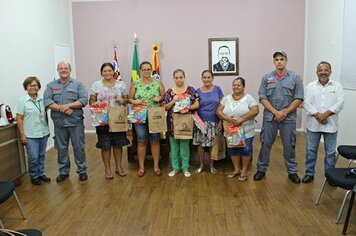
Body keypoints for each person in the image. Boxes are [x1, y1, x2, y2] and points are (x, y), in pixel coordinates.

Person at [253, 51, 304, 184]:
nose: (279, 61)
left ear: (286, 61)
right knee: (265, 144)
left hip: (288, 118)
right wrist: (276, 112)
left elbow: (298, 99)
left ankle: (292, 171)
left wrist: (284, 113)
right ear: (273, 61)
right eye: (277, 59)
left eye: (282, 59)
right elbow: (262, 98)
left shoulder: (295, 78)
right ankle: (261, 169)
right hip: (270, 118)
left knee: (289, 145)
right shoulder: (266, 78)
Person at [43, 61, 88, 182]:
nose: (63, 70)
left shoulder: (78, 84)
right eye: (61, 68)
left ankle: (82, 171)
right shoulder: (51, 86)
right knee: (61, 148)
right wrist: (62, 109)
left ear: (70, 70)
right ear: (57, 70)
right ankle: (63, 171)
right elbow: (47, 101)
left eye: (66, 68)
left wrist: (68, 106)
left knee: (79, 147)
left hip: (75, 123)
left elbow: (84, 100)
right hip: (59, 123)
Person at [302, 61, 344, 183]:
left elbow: (340, 103)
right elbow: (306, 103)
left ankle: (330, 176)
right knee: (311, 150)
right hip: (313, 125)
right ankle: (309, 173)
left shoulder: (337, 86)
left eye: (326, 70)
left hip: (330, 125)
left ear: (330, 72)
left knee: (330, 153)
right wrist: (318, 115)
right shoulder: (310, 86)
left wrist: (325, 114)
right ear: (317, 72)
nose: (323, 72)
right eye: (320, 70)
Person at [89, 62, 130, 179]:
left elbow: (127, 99)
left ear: (114, 71)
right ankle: (107, 168)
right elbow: (91, 101)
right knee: (105, 145)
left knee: (118, 144)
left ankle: (118, 167)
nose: (107, 73)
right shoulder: (96, 85)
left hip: (118, 118)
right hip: (102, 119)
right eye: (105, 71)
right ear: (101, 72)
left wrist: (123, 100)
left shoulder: (121, 84)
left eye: (109, 70)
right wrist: (95, 103)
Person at [216, 77, 259, 181]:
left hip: (246, 130)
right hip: (230, 130)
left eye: (238, 85)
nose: (236, 87)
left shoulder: (248, 98)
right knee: (232, 150)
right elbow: (218, 111)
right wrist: (226, 118)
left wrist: (241, 119)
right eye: (234, 85)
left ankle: (244, 171)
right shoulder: (226, 98)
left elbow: (255, 110)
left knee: (246, 150)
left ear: (243, 87)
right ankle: (236, 169)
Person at [129, 61, 165, 177]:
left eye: (148, 69)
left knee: (155, 141)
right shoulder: (135, 83)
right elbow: (129, 98)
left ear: (151, 70)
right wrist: (134, 101)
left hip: (154, 116)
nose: (146, 71)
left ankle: (156, 166)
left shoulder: (158, 82)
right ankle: (141, 167)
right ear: (140, 71)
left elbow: (163, 96)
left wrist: (160, 97)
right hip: (139, 116)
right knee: (141, 141)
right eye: (144, 69)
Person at [163, 69, 199, 177]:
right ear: (173, 79)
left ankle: (185, 168)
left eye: (181, 77)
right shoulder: (170, 92)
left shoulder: (191, 90)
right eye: (176, 77)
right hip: (172, 123)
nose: (179, 80)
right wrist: (173, 101)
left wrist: (186, 108)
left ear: (184, 77)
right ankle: (175, 168)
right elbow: (165, 107)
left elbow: (197, 105)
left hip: (185, 123)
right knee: (174, 148)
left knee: (184, 147)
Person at [15, 77, 51, 186]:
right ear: (26, 87)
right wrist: (22, 135)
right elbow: (19, 118)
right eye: (29, 85)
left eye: (35, 85)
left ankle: (41, 173)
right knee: (33, 157)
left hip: (43, 132)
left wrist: (48, 129)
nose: (32, 87)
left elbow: (44, 116)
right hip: (30, 134)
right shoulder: (22, 101)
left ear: (38, 87)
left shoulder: (42, 100)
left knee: (41, 155)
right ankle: (34, 175)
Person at [193, 70, 224, 175]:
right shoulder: (197, 91)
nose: (207, 79)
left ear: (212, 78)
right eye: (204, 77)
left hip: (214, 122)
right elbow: (195, 107)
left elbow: (222, 106)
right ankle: (201, 165)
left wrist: (221, 121)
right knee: (201, 145)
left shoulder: (217, 89)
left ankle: (211, 165)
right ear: (201, 78)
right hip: (200, 122)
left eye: (209, 77)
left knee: (212, 144)